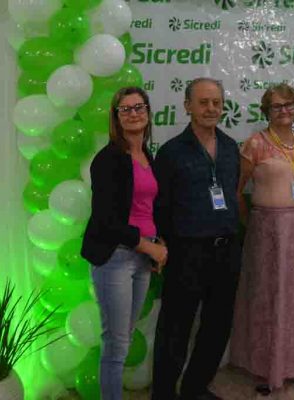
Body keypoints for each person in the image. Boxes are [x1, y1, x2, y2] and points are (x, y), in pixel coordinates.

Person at [229, 83, 294, 396]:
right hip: (269, 231)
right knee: (268, 297)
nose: (284, 111)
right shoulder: (255, 144)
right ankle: (266, 369)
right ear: (267, 111)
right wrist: (253, 223)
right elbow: (237, 190)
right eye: (277, 106)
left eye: (289, 105)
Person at [151, 78, 241, 400]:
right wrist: (162, 244)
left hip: (226, 250)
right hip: (186, 252)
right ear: (187, 106)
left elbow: (233, 194)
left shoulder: (231, 147)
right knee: (175, 328)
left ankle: (195, 388)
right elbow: (160, 205)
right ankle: (163, 394)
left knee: (217, 326)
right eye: (203, 102)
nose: (211, 109)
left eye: (216, 102)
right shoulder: (171, 152)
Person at [81, 86, 168, 400]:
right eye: (126, 109)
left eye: (139, 107)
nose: (134, 114)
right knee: (116, 346)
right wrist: (148, 246)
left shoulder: (147, 156)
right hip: (115, 257)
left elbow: (147, 208)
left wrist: (157, 242)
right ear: (116, 117)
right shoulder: (108, 160)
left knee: (125, 339)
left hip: (142, 256)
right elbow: (106, 220)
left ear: (148, 113)